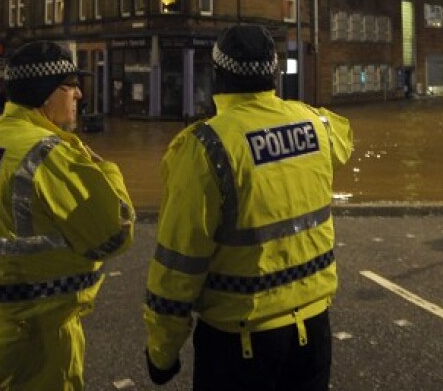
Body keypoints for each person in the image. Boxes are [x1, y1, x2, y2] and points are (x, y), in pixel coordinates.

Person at [144, 25, 354, 390]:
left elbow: (177, 266)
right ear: (273, 74)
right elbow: (344, 138)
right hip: (313, 330)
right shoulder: (316, 126)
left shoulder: (204, 147)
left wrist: (162, 352)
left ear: (217, 75)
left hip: (240, 343)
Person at [0, 41, 135, 391]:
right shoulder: (49, 154)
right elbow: (115, 233)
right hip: (34, 340)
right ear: (48, 93)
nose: (78, 94)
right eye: (71, 85)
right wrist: (105, 170)